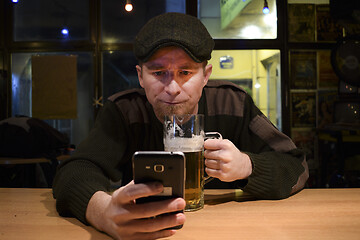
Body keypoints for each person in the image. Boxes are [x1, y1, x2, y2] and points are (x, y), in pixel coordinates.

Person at [53, 12, 309, 240]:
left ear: (206, 75)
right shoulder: (124, 111)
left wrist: (247, 166)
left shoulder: (234, 103)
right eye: (158, 73)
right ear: (140, 76)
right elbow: (73, 172)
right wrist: (103, 213)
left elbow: (297, 166)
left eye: (185, 72)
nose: (172, 88)